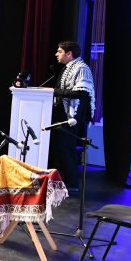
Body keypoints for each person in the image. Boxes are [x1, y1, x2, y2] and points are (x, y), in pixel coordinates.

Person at [51, 40, 94, 186]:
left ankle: (71, 183)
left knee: (66, 148)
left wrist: (56, 92)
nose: (57, 54)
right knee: (60, 148)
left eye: (60, 51)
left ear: (69, 54)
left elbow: (82, 93)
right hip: (63, 114)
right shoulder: (68, 67)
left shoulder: (82, 68)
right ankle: (62, 181)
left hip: (72, 116)